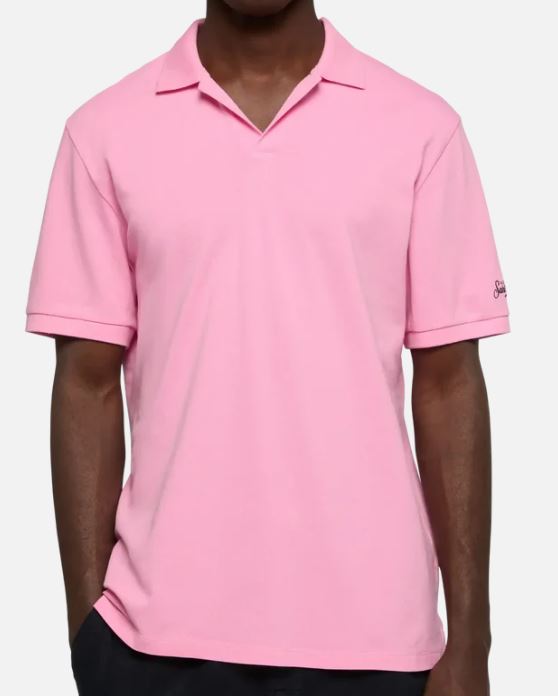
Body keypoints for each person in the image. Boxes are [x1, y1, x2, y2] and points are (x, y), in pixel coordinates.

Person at [26, 1, 510, 694]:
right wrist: (87, 636)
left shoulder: (423, 130)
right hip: (151, 643)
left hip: (378, 642)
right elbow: (86, 383)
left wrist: (470, 642)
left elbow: (449, 383)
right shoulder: (103, 132)